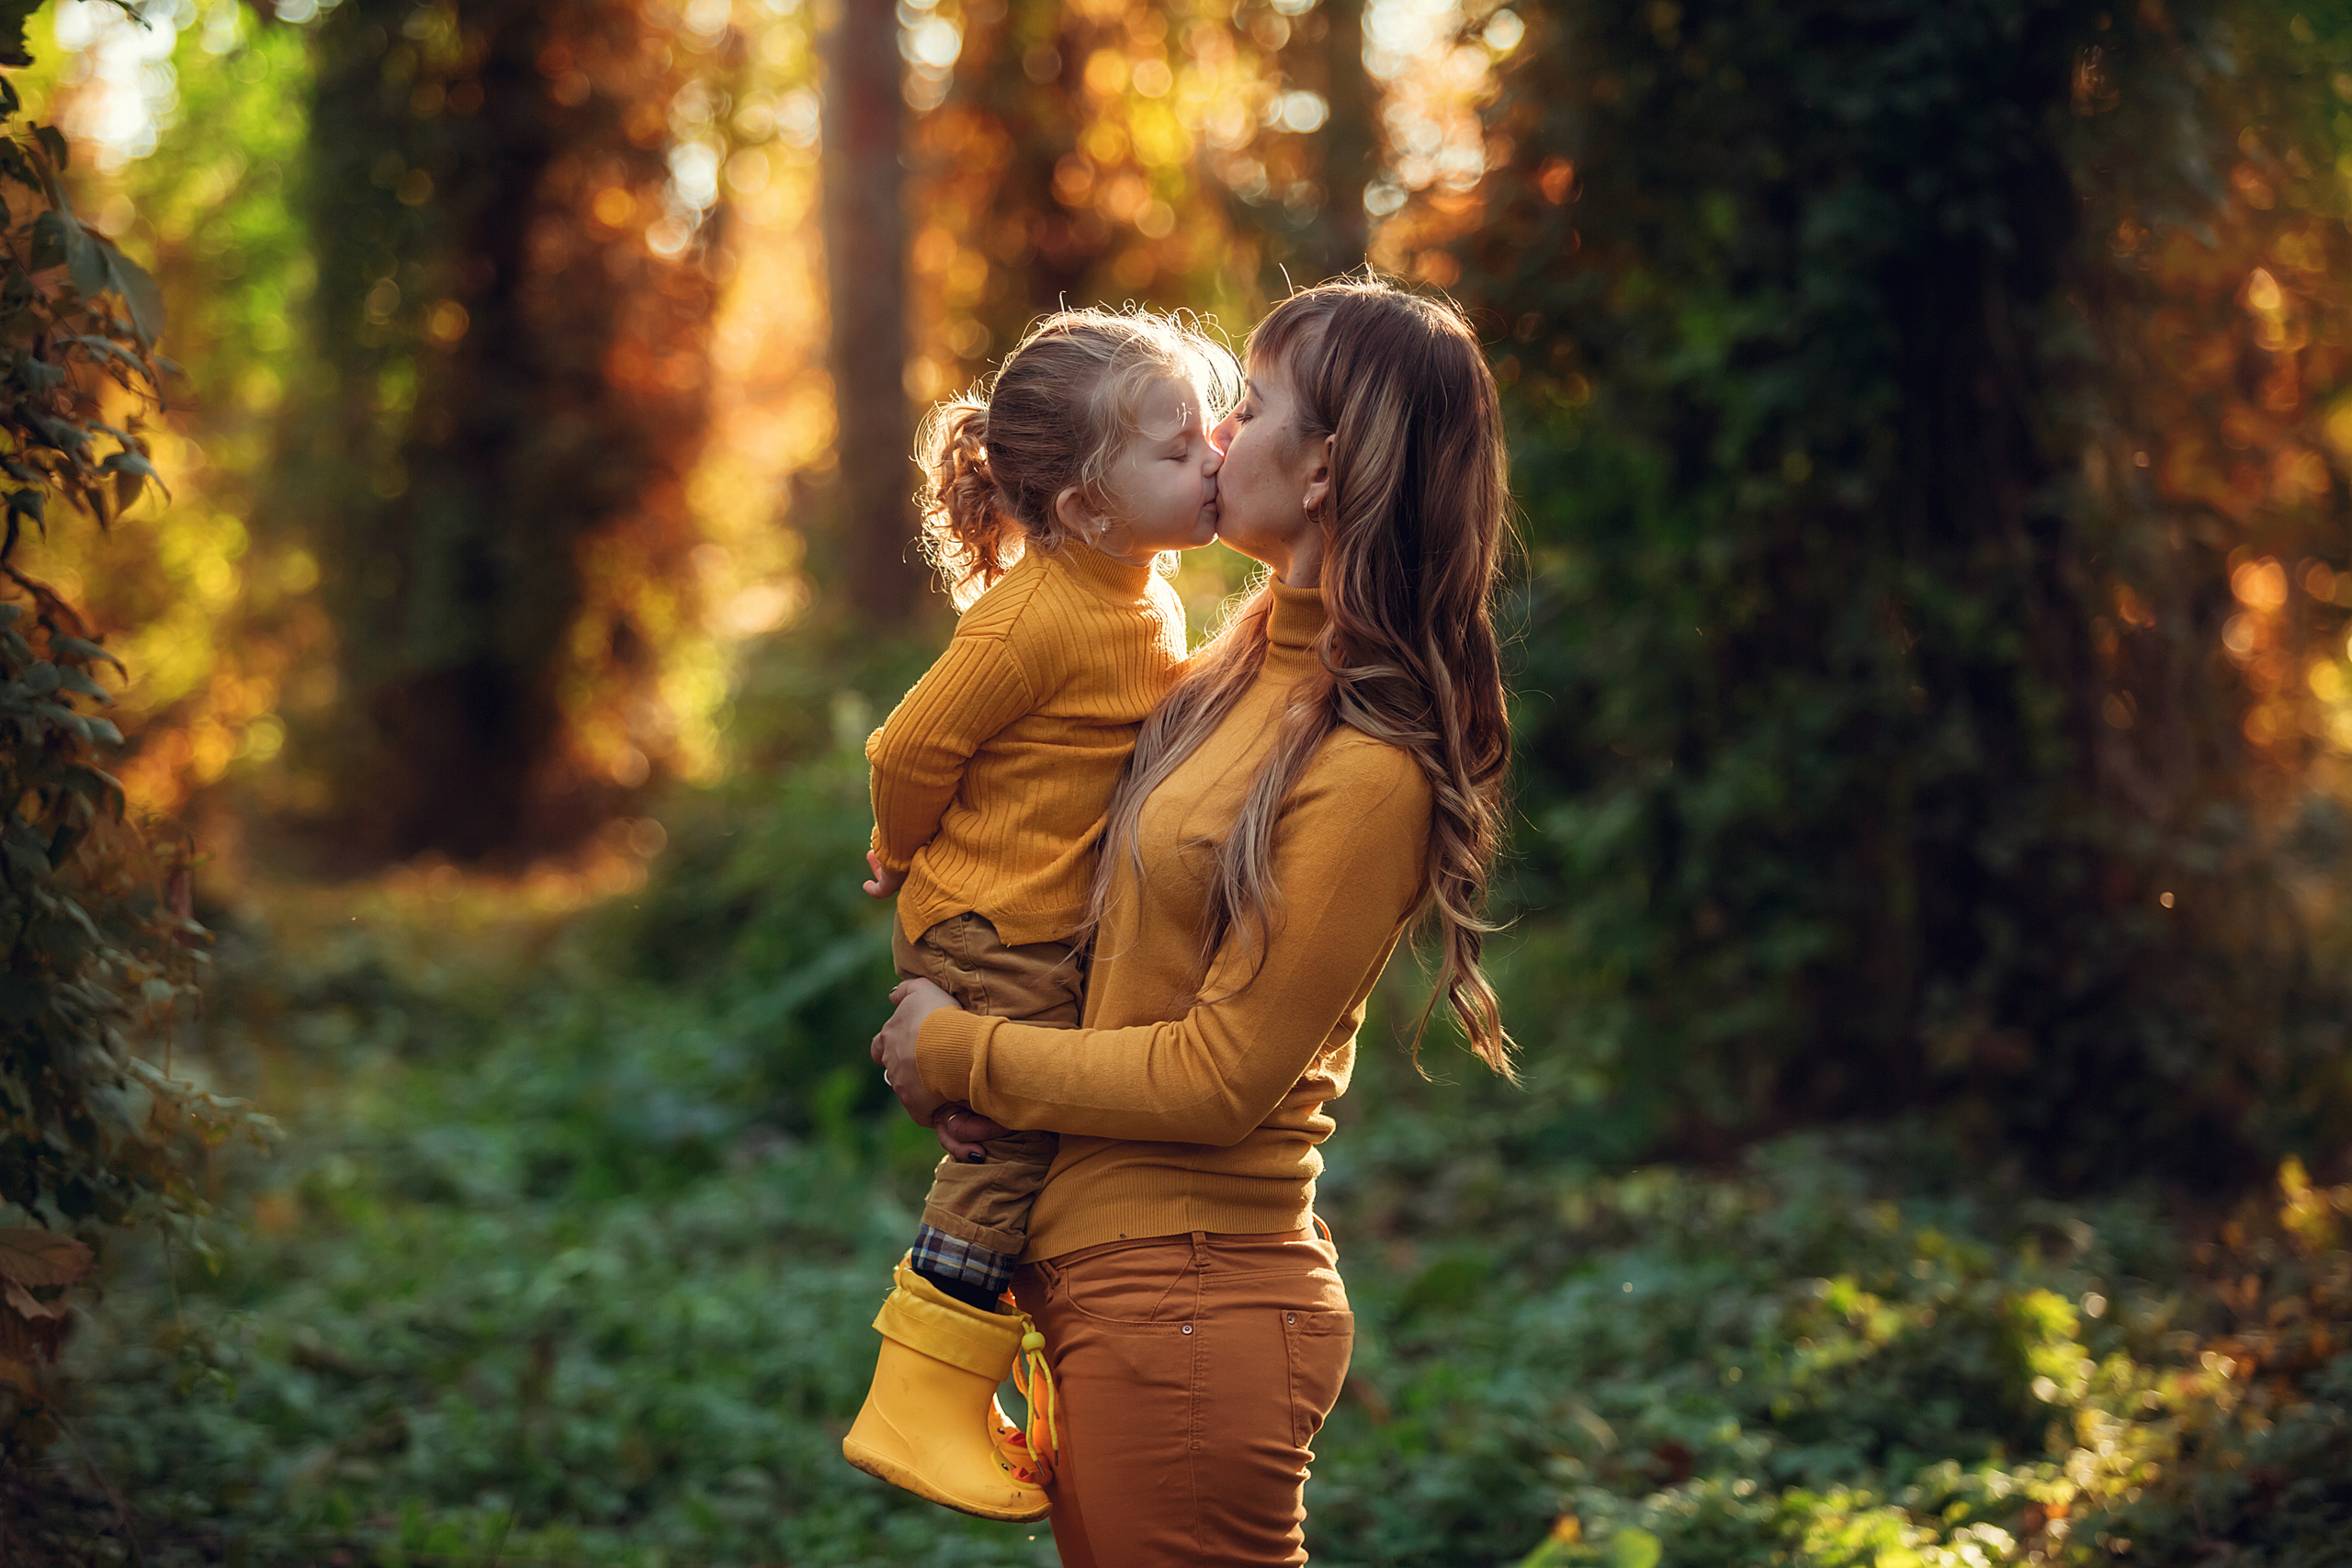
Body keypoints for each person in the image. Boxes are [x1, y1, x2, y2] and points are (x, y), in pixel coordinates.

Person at [870, 276, 1516, 1567]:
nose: (1222, 436)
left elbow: (1223, 1076)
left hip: (1196, 1294)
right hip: (1109, 1282)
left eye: (1255, 405)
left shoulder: (1367, 764)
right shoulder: (1223, 670)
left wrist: (962, 1053)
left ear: (1325, 468)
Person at [842, 308, 1233, 1524]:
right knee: (1004, 1148)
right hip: (994, 921)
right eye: (1178, 451)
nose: (1216, 456)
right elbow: (912, 741)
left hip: (1037, 922)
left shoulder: (1145, 590)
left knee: (1024, 1134)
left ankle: (984, 1380)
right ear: (1086, 507)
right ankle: (915, 1404)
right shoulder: (1034, 611)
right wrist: (899, 850)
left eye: (1212, 431)